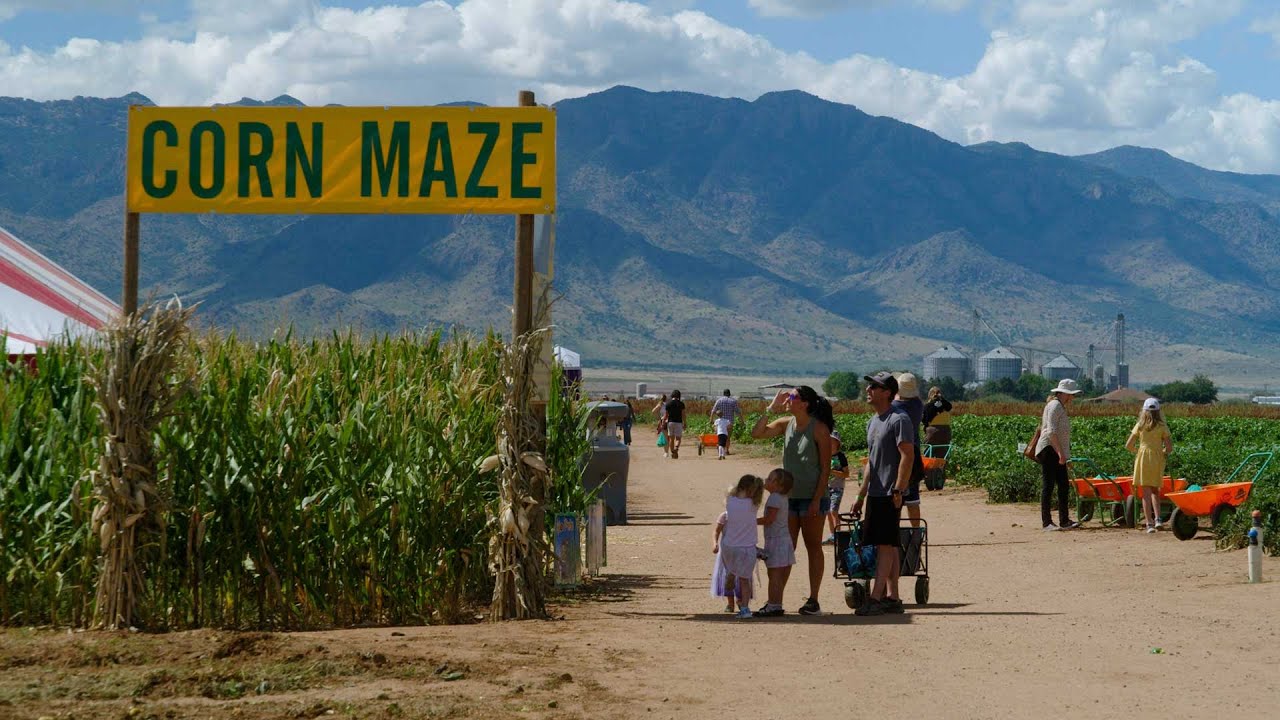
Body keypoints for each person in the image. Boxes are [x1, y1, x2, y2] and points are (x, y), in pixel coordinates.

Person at [750, 385, 833, 616]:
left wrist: (817, 499)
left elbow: (826, 468)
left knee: (813, 546)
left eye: (792, 396)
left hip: (812, 498)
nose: (787, 398)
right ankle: (775, 602)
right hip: (788, 499)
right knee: (784, 548)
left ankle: (813, 600)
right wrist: (770, 407)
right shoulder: (786, 423)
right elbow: (757, 433)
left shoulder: (819, 429)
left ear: (805, 403)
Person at [850, 371, 913, 616]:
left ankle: (875, 598)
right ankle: (892, 596)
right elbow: (871, 462)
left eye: (874, 387)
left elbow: (907, 455)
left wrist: (898, 488)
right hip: (876, 491)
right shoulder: (873, 421)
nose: (869, 391)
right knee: (888, 543)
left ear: (887, 392)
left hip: (890, 492)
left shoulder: (899, 419)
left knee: (885, 545)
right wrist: (861, 494)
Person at [710, 474, 764, 619]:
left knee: (732, 566)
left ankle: (731, 572)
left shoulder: (730, 501)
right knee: (745, 580)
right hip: (747, 547)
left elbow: (730, 492)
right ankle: (745, 609)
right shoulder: (754, 504)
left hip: (729, 546)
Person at [1036, 378, 1083, 531]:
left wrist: (1065, 456)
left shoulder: (1059, 406)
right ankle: (1047, 522)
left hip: (1056, 450)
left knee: (1063, 485)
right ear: (1065, 394)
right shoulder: (1055, 405)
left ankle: (1064, 520)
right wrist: (1060, 454)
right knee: (1048, 485)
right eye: (1072, 394)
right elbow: (1051, 432)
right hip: (1049, 449)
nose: (1073, 398)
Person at [753, 468, 796, 617]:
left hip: (776, 541)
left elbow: (769, 519)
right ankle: (776, 603)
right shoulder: (782, 498)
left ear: (778, 485)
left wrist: (749, 521)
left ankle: (773, 605)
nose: (766, 480)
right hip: (783, 539)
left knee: (774, 575)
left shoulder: (774, 498)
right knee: (777, 573)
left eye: (770, 479)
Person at [1126, 397, 1173, 533]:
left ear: (1144, 411)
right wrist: (1162, 452)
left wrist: (1138, 451)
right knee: (1155, 490)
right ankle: (1158, 519)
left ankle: (1149, 523)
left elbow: (1128, 445)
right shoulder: (1162, 426)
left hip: (1142, 458)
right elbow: (1169, 447)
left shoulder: (1140, 425)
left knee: (1145, 492)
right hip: (1156, 458)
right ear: (1158, 411)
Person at [893, 372, 926, 528]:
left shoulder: (896, 407)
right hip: (915, 454)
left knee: (896, 496)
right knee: (913, 499)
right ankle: (916, 532)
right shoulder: (918, 405)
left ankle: (895, 533)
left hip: (899, 456)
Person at [822, 431, 850, 545]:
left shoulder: (841, 456)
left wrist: (832, 471)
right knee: (828, 512)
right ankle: (833, 536)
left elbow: (846, 474)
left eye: (832, 440)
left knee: (834, 511)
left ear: (837, 443)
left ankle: (838, 535)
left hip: (837, 488)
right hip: (826, 488)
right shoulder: (824, 454)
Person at [710, 389, 742, 455]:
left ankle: (720, 447)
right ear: (729, 394)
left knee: (720, 436)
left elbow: (713, 411)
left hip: (720, 423)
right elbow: (738, 412)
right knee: (728, 437)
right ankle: (726, 450)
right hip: (729, 423)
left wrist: (711, 420)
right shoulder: (733, 401)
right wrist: (742, 421)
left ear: (723, 394)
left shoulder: (719, 401)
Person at [665, 390, 686, 459]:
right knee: (678, 438)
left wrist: (662, 423)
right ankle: (676, 448)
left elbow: (666, 415)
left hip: (670, 422)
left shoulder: (668, 404)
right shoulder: (681, 404)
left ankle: (672, 452)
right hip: (678, 423)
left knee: (671, 439)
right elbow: (683, 414)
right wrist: (685, 423)